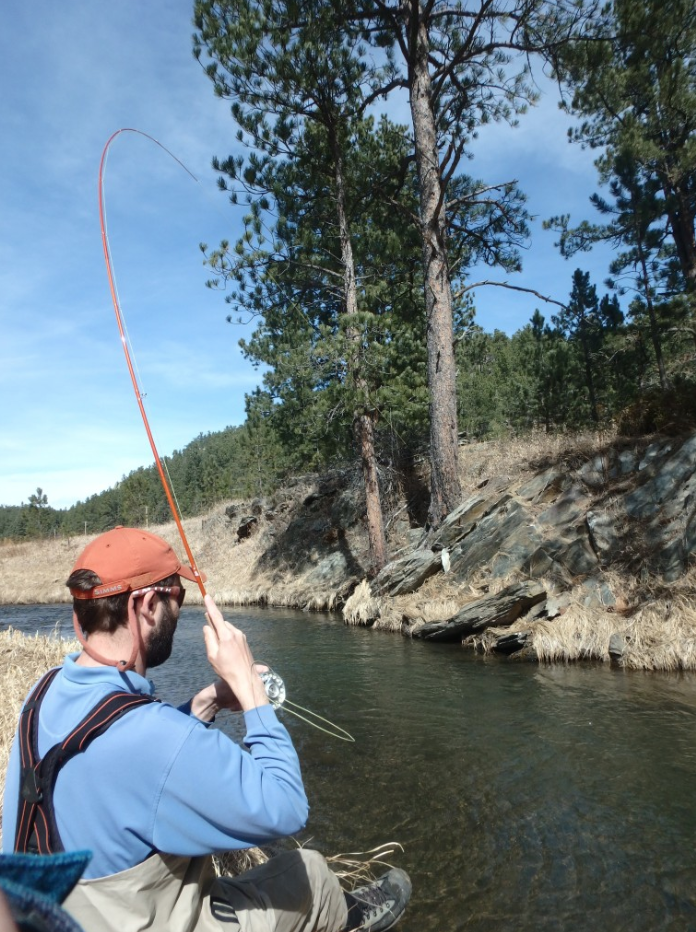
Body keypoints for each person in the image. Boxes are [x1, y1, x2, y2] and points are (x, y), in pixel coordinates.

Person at [2, 527, 411, 932]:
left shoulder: (43, 690)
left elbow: (122, 754)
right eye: (177, 597)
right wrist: (251, 691)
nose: (179, 610)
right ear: (146, 606)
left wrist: (206, 703)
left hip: (61, 915)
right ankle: (349, 919)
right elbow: (286, 807)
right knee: (311, 875)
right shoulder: (154, 737)